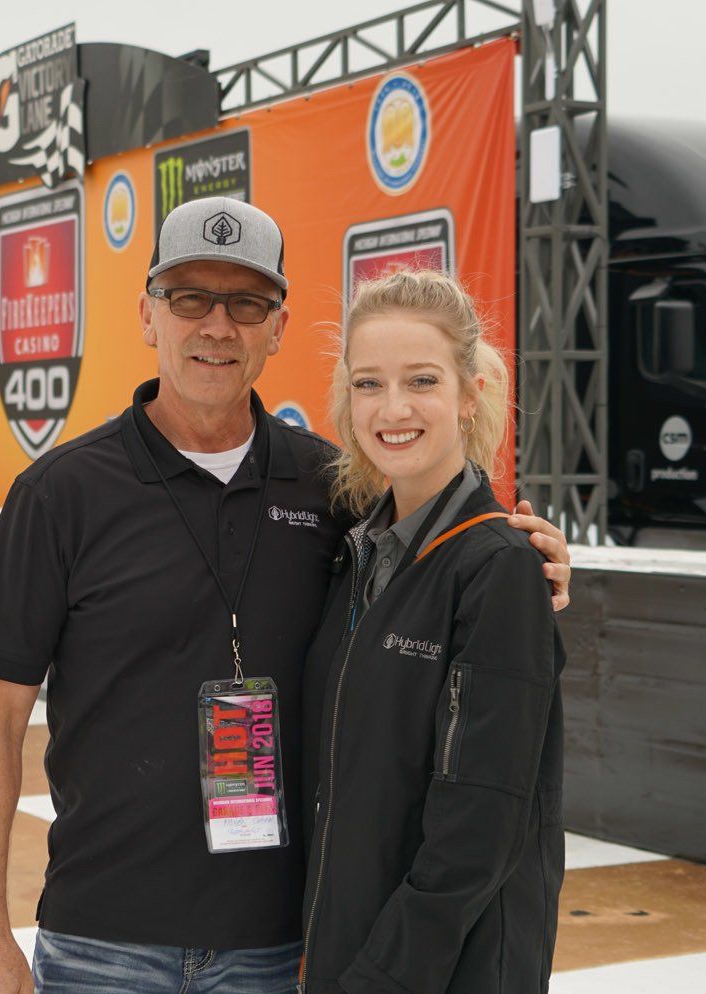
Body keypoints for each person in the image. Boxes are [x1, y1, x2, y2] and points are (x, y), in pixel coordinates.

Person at [0, 198, 570, 994]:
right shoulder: (59, 495)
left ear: (277, 327)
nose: (217, 326)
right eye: (189, 299)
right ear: (148, 315)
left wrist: (530, 558)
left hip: (280, 951)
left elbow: (441, 543)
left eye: (246, 303)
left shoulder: (335, 490)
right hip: (101, 943)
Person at [298, 270, 566, 994]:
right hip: (347, 954)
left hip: (438, 972)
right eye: (367, 384)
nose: (392, 409)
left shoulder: (501, 568)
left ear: (469, 391)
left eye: (420, 381)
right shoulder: (359, 552)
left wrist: (382, 976)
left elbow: (482, 826)